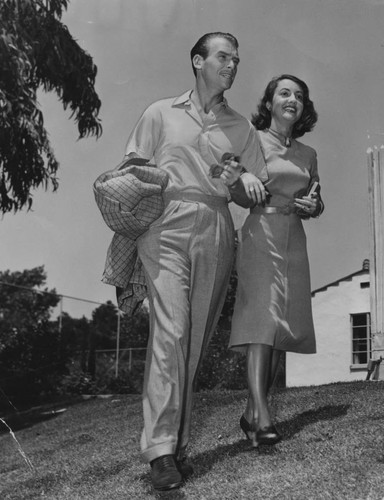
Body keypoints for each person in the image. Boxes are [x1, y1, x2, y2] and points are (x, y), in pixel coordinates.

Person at [123, 33, 268, 491]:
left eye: (236, 60)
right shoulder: (159, 113)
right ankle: (161, 449)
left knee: (194, 339)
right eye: (224, 57)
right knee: (172, 329)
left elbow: (252, 193)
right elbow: (131, 169)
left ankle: (175, 445)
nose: (232, 65)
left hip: (216, 224)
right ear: (197, 61)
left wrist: (240, 178)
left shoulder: (242, 128)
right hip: (164, 222)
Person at [229, 74, 323, 448]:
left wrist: (314, 205)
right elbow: (236, 191)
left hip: (294, 240)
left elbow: (316, 198)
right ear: (269, 103)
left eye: (299, 95)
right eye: (284, 93)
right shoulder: (251, 141)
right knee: (261, 321)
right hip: (260, 233)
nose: (292, 99)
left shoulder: (308, 154)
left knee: (280, 326)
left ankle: (252, 412)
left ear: (303, 108)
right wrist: (241, 182)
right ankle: (263, 418)